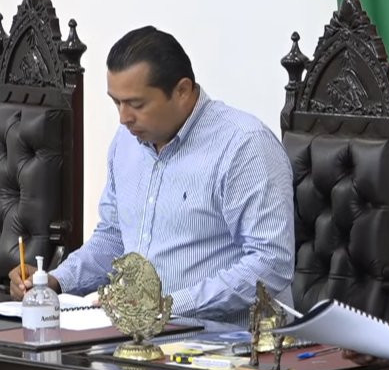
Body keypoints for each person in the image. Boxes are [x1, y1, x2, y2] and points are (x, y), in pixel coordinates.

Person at [7, 26, 295, 325]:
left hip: (226, 341)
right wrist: (54, 281)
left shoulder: (244, 145)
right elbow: (114, 236)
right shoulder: (126, 142)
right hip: (136, 334)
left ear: (182, 91)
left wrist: (167, 305)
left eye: (136, 104)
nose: (124, 118)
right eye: (116, 102)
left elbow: (271, 263)